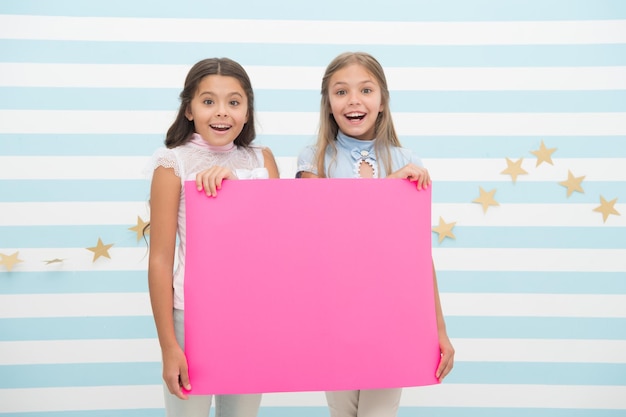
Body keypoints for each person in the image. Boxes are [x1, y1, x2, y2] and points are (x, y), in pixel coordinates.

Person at [296, 52, 455, 417]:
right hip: (332, 315)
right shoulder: (314, 160)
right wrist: (387, 190)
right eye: (341, 92)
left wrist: (439, 330)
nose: (354, 100)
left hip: (391, 316)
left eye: (365, 90)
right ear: (329, 104)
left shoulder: (406, 161)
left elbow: (418, 256)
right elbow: (324, 225)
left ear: (382, 101)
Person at [147, 57, 279, 417]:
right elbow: (160, 259)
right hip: (191, 320)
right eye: (208, 101)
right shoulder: (172, 163)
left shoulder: (260, 161)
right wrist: (169, 347)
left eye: (234, 102)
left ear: (248, 110)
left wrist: (242, 188)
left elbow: (276, 241)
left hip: (251, 317)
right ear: (188, 108)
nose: (222, 113)